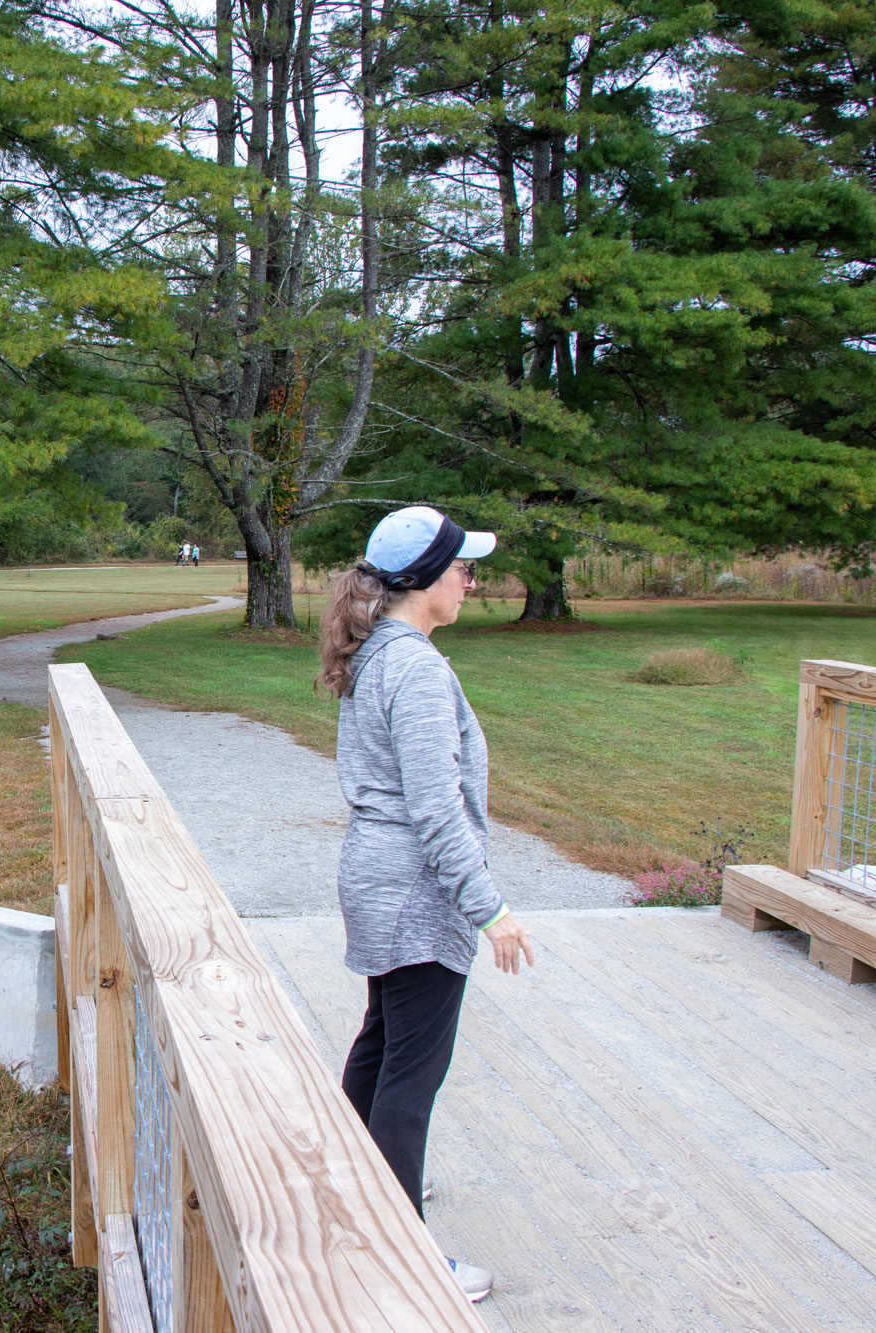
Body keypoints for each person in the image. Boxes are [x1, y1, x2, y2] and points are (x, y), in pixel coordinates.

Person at [316, 505, 536, 1306]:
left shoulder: (380, 649)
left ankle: (357, 1184)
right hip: (413, 889)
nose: (471, 583)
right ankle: (401, 1258)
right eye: (464, 569)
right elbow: (436, 810)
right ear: (426, 580)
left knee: (384, 1041)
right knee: (413, 1073)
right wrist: (491, 911)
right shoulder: (413, 669)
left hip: (381, 879)